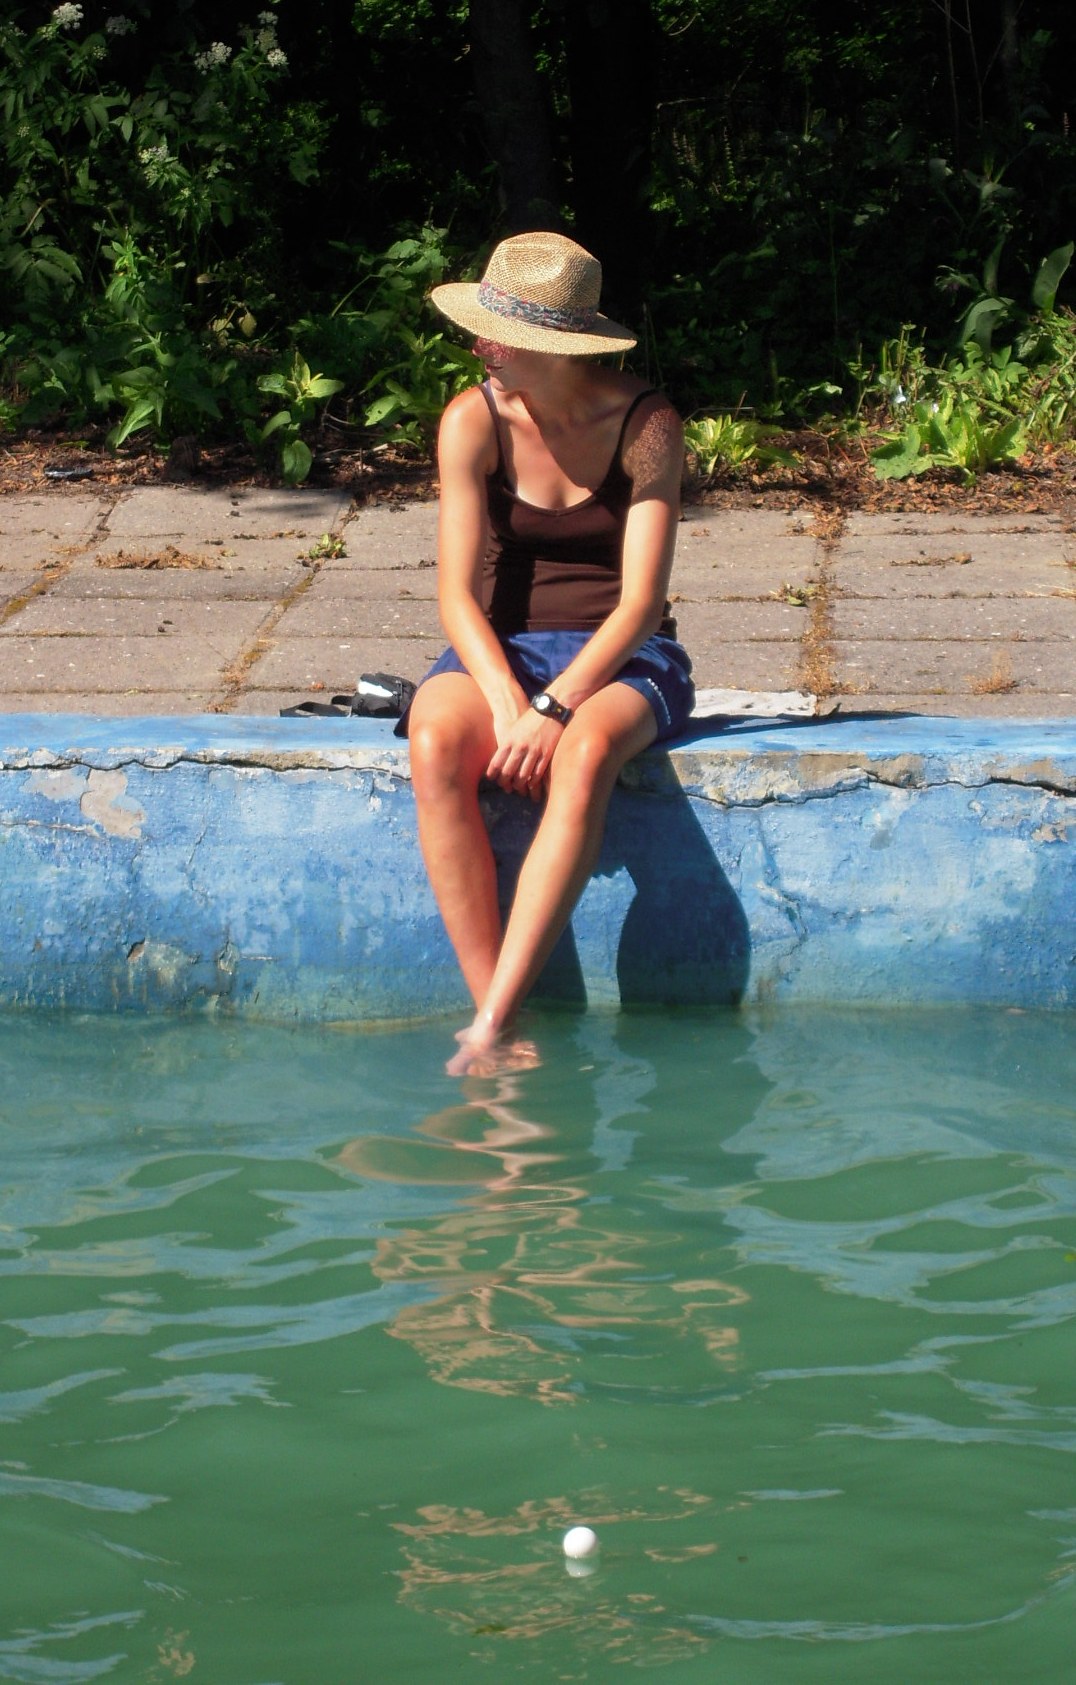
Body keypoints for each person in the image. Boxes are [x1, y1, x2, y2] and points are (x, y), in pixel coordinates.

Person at [405, 231, 694, 1075]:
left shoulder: (648, 427)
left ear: (555, 346)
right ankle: (493, 1020)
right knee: (434, 739)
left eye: (498, 338)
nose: (479, 349)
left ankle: (495, 1017)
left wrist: (556, 706)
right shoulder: (472, 419)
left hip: (620, 655)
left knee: (587, 753)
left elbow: (642, 603)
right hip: (505, 650)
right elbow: (455, 596)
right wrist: (508, 702)